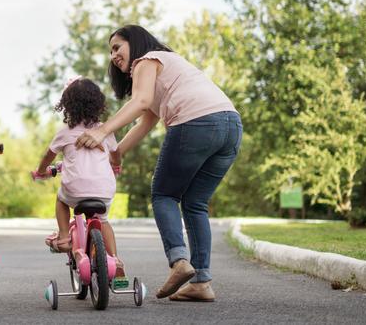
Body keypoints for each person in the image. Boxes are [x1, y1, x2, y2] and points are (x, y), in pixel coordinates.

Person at [75, 25, 242, 303]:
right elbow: (147, 119)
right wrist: (117, 152)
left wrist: (102, 132)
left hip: (196, 122)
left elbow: (140, 102)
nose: (114, 55)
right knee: (195, 202)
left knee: (164, 194)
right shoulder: (171, 65)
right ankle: (201, 282)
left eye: (117, 47)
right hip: (231, 126)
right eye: (110, 51)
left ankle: (179, 260)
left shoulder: (147, 59)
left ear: (136, 42)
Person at [32, 77, 127, 284]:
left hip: (75, 191)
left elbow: (48, 157)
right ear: (98, 104)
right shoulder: (105, 131)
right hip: (103, 189)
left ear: (67, 106)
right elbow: (117, 153)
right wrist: (116, 165)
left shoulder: (64, 133)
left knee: (61, 200)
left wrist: (41, 171)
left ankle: (65, 237)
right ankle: (115, 260)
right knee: (103, 221)